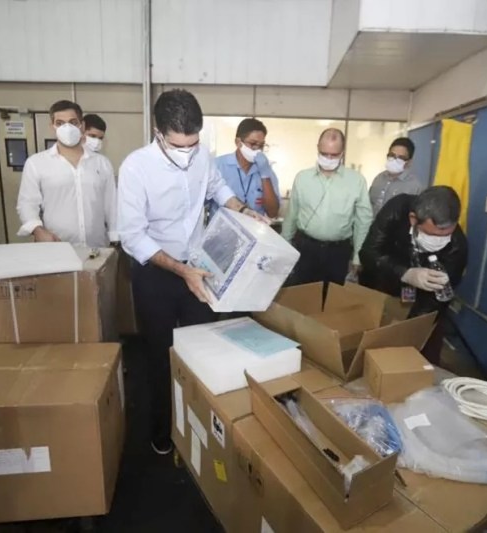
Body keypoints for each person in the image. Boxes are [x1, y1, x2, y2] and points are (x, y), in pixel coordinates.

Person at [117, 89, 267, 455]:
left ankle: (199, 423)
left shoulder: (201, 155)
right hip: (155, 271)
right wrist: (179, 269)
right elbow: (132, 236)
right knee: (159, 353)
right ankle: (163, 430)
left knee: (204, 345)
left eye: (193, 143)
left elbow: (218, 188)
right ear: (158, 133)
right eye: (178, 146)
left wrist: (244, 210)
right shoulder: (136, 167)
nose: (187, 152)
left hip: (198, 266)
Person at [359, 186, 468, 364]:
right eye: (432, 235)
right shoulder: (397, 210)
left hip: (424, 304)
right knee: (371, 349)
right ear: (413, 219)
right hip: (384, 288)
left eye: (446, 235)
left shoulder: (457, 246)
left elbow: (436, 301)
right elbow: (369, 254)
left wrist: (407, 331)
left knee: (421, 356)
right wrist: (405, 273)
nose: (439, 241)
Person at [17, 100, 117, 248]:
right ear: (52, 126)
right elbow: (27, 203)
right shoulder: (36, 163)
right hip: (56, 248)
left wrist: (115, 238)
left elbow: (111, 205)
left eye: (73, 122)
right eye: (60, 123)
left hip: (97, 248)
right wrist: (37, 230)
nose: (67, 128)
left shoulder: (102, 164)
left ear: (82, 125)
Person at [281, 128, 372, 288]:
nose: (329, 158)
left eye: (334, 155)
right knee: (302, 295)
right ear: (317, 149)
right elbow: (292, 214)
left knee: (333, 298)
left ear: (342, 153)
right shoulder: (302, 178)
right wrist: (284, 245)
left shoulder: (356, 181)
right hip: (306, 249)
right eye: (324, 154)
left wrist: (358, 257)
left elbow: (363, 222)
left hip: (338, 252)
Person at [213, 118, 280, 218]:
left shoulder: (266, 169)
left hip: (254, 226)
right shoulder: (218, 165)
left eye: (261, 145)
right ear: (238, 142)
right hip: (223, 227)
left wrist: (265, 175)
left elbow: (273, 212)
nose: (257, 149)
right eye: (253, 144)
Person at [369, 137, 423, 215]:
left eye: (401, 158)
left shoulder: (414, 186)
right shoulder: (379, 178)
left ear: (409, 162)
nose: (394, 160)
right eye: (392, 155)